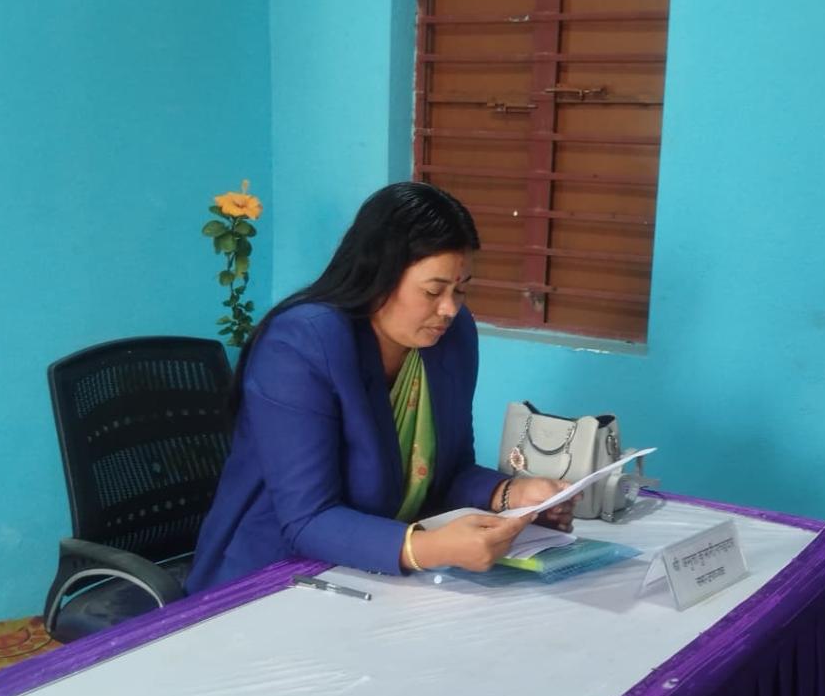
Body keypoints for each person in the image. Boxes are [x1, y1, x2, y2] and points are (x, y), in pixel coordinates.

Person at [186, 182, 574, 593]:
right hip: (272, 575)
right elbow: (307, 519)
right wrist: (427, 549)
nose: (449, 309)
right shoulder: (300, 344)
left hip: (375, 570)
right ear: (379, 275)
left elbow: (447, 472)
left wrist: (510, 493)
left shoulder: (451, 337)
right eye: (433, 291)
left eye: (460, 289)